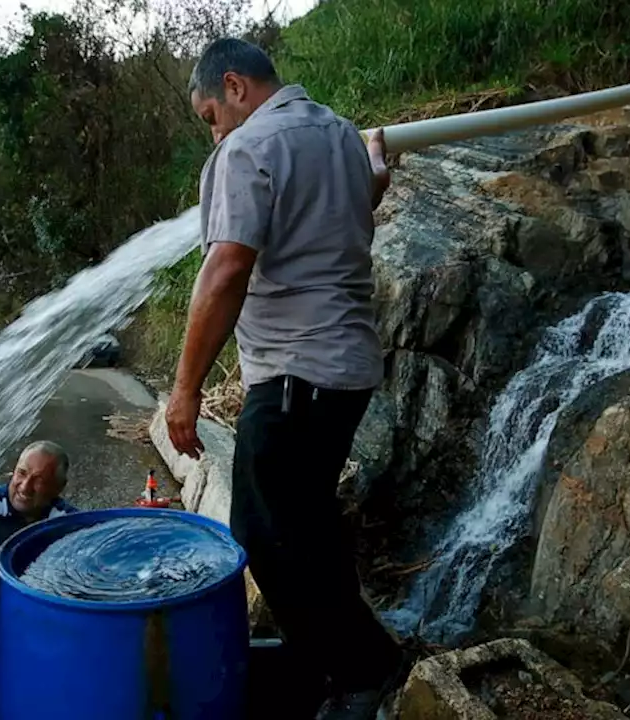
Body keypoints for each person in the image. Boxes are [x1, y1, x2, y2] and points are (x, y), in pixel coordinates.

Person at [164, 37, 402, 720]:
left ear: (235, 87)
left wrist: (185, 390)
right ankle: (334, 665)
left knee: (266, 536)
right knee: (309, 526)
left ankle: (365, 671)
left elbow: (226, 268)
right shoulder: (336, 133)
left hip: (297, 375)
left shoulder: (247, 148)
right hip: (346, 371)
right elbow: (351, 206)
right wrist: (376, 173)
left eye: (210, 114)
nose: (214, 131)